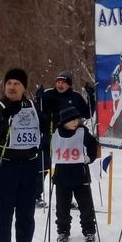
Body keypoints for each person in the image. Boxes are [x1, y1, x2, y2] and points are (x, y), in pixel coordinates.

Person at [0, 68, 48, 242]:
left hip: (29, 164)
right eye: (9, 83)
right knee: (5, 212)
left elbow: (43, 129)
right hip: (6, 164)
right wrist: (6, 116)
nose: (12, 87)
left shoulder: (31, 105)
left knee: (26, 212)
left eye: (17, 84)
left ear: (24, 87)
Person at [36, 71, 90, 207]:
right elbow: (39, 113)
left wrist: (91, 97)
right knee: (44, 165)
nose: (60, 85)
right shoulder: (49, 94)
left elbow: (87, 114)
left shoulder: (75, 96)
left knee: (67, 166)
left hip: (69, 136)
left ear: (69, 84)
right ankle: (36, 196)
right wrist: (39, 99)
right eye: (58, 82)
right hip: (50, 133)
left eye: (63, 83)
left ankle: (68, 198)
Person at [51, 106, 99, 242]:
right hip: (62, 176)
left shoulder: (82, 131)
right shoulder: (56, 132)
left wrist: (89, 158)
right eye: (71, 120)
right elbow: (49, 147)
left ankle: (89, 230)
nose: (75, 122)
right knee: (62, 207)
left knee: (86, 206)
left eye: (77, 119)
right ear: (64, 121)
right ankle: (63, 231)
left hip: (80, 175)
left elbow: (92, 146)